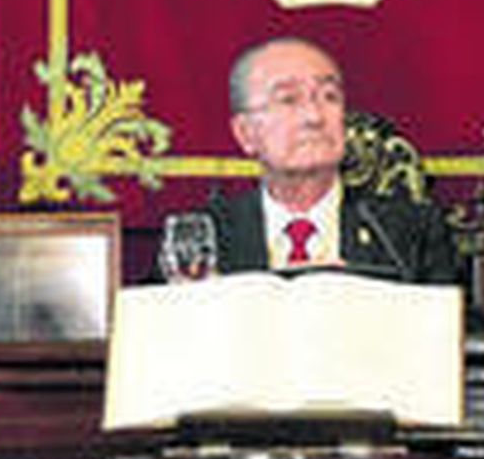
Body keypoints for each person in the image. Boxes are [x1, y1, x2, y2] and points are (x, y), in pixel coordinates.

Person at [186, 36, 463, 283]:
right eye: (288, 100)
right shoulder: (204, 236)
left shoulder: (410, 231)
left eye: (329, 97)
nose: (314, 117)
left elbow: (460, 330)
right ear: (246, 133)